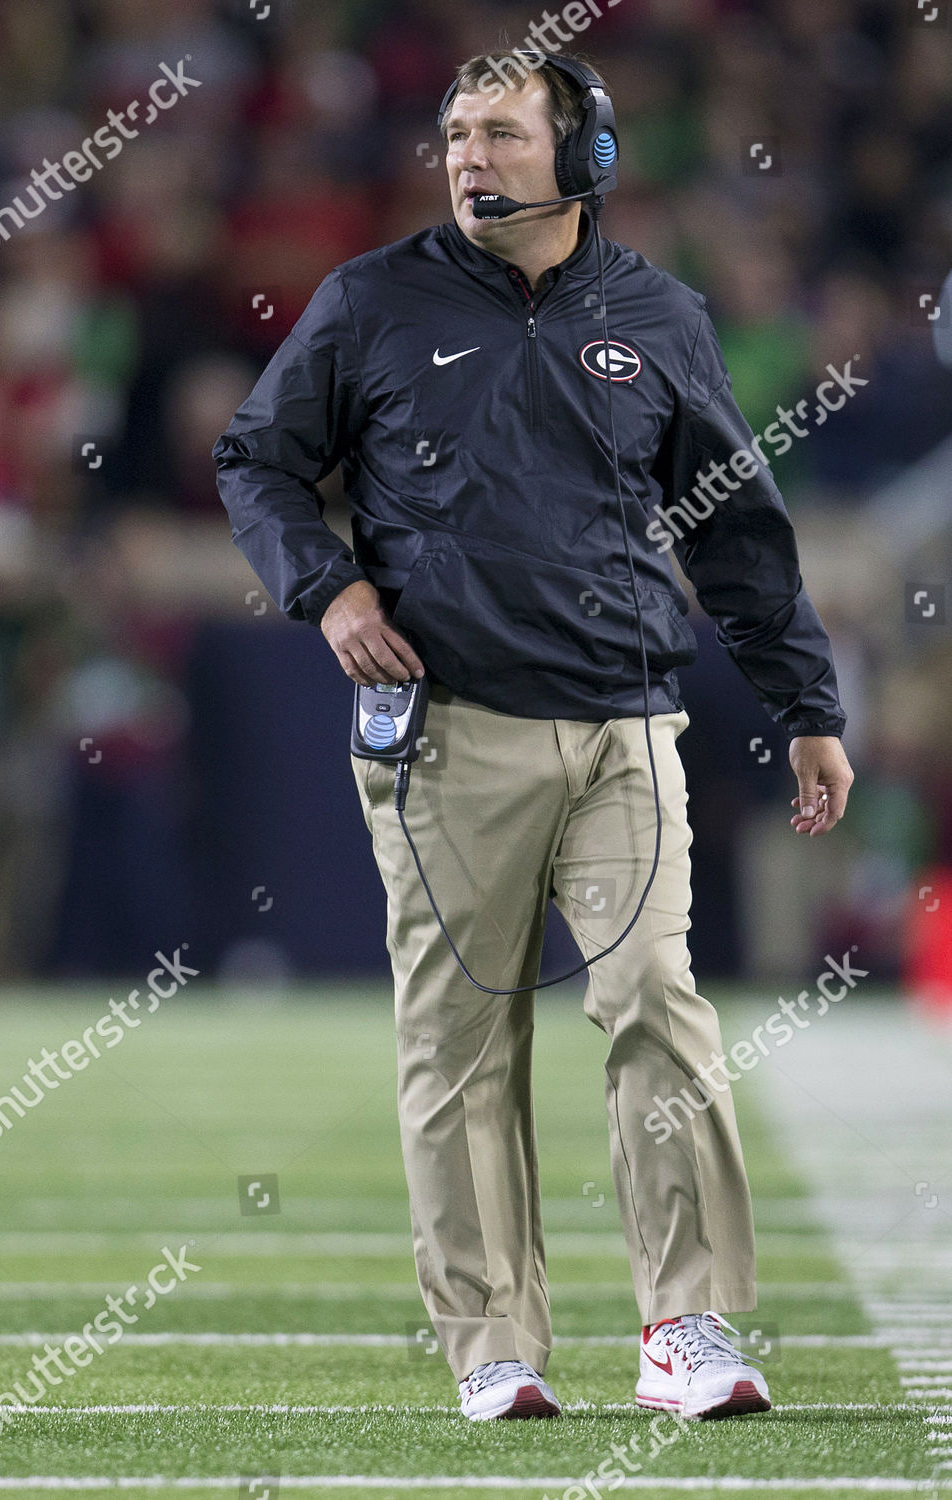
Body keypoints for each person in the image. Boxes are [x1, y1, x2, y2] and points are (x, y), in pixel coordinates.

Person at [214, 49, 854, 1422]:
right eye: (454, 133)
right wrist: (327, 592)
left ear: (588, 159)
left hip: (626, 722)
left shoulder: (659, 315)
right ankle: (491, 1342)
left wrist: (804, 703)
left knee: (659, 1014)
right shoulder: (368, 300)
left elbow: (735, 529)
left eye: (499, 132)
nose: (466, 155)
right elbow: (254, 456)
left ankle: (682, 1326)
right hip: (447, 732)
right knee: (457, 1044)